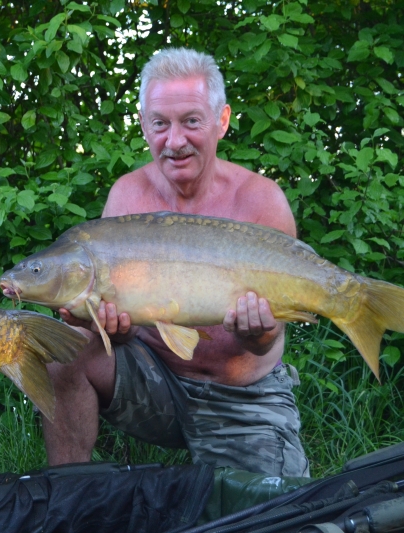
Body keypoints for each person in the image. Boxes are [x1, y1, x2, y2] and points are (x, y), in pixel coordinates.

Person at [44, 48, 309, 477]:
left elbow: (268, 340)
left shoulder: (261, 202)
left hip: (241, 393)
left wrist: (258, 334)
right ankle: (68, 496)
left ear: (221, 121)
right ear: (144, 125)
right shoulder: (126, 197)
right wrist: (113, 328)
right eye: (160, 124)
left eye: (191, 121)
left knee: (274, 513)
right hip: (156, 381)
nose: (175, 141)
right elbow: (119, 331)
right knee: (62, 346)